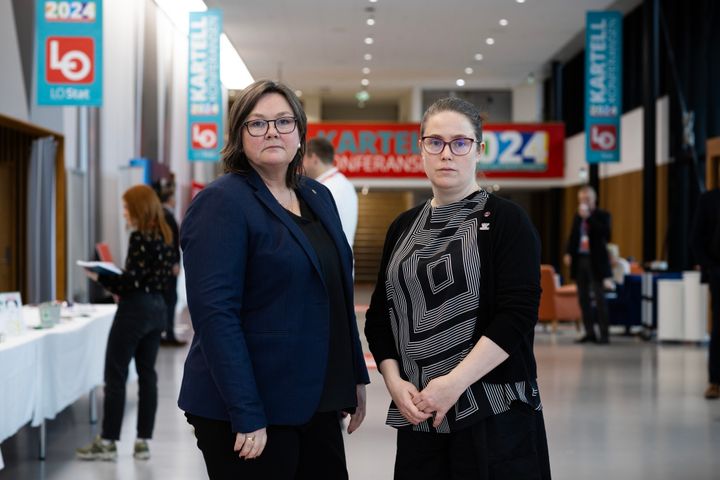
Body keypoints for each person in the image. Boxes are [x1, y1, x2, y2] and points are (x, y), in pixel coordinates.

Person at [178, 80, 370, 479]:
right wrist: (245, 411)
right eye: (257, 123)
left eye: (283, 121)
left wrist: (352, 376)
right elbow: (216, 317)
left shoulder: (319, 196)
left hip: (315, 399)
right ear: (239, 135)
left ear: (300, 134)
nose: (272, 132)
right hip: (249, 408)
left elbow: (336, 291)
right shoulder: (221, 202)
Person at [364, 97, 551, 480]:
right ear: (421, 149)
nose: (446, 153)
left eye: (460, 143)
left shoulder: (507, 220)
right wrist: (394, 383)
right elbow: (379, 317)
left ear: (479, 150)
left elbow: (517, 315)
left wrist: (453, 384)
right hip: (420, 413)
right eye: (435, 142)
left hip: (493, 413)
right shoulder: (403, 227)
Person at [76, 184, 176, 461]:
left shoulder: (140, 237)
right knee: (148, 376)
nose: (124, 213)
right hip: (157, 310)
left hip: (135, 311)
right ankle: (143, 441)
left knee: (115, 374)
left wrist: (101, 277)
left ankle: (108, 442)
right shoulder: (166, 237)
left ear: (138, 208)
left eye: (125, 207)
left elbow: (132, 282)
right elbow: (153, 277)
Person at [564, 185, 612, 344]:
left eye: (587, 199)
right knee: (583, 298)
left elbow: (606, 234)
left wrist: (589, 218)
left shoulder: (602, 215)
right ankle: (589, 331)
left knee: (599, 298)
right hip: (580, 260)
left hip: (596, 261)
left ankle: (604, 334)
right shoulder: (577, 216)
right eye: (581, 200)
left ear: (593, 199)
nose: (584, 202)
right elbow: (572, 236)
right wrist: (568, 253)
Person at [690, 185, 720, 399]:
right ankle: (716, 382)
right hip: (719, 274)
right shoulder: (709, 200)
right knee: (719, 329)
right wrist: (711, 268)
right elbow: (696, 240)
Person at [303, 136, 358, 248]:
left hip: (332, 258)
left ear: (313, 158)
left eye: (303, 158)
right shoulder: (342, 183)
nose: (300, 164)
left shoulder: (329, 188)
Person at [153, 175, 185, 346]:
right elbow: (170, 242)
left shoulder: (164, 215)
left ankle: (167, 332)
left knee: (169, 299)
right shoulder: (166, 216)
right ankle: (167, 333)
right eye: (173, 197)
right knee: (169, 299)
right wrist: (174, 262)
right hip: (168, 266)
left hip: (167, 265)